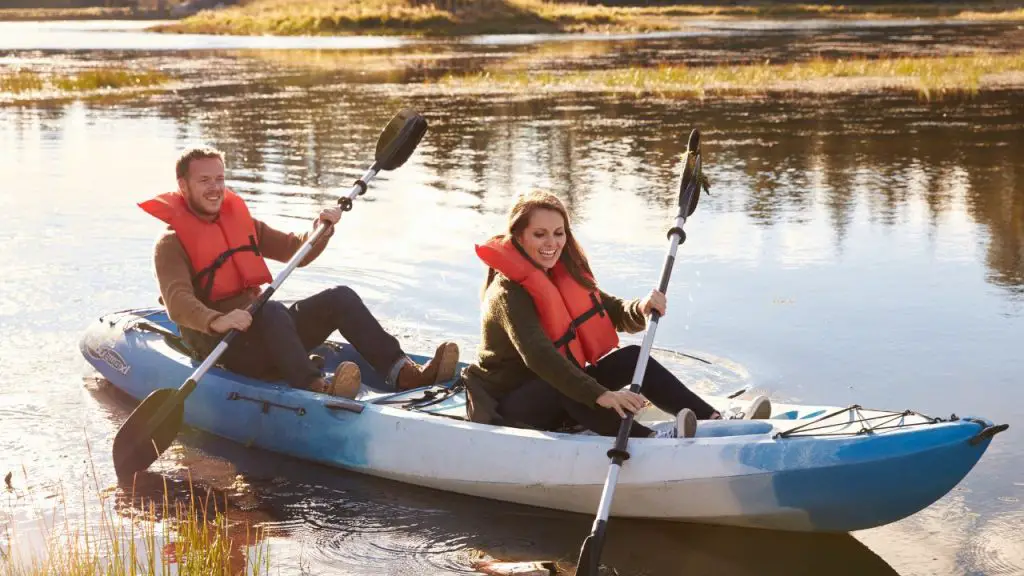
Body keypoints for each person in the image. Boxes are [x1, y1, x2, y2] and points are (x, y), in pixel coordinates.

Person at [142, 146, 459, 399]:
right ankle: (315, 387)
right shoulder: (171, 243)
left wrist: (320, 231)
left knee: (341, 298)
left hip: (265, 330)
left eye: (220, 179)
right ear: (182, 186)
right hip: (225, 346)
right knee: (272, 309)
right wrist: (218, 320)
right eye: (205, 181)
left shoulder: (239, 222)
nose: (215, 188)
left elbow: (294, 249)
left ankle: (404, 373)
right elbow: (177, 300)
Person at [463, 191, 770, 439]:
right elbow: (540, 357)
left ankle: (712, 420)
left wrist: (639, 308)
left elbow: (608, 309)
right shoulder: (507, 293)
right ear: (518, 237)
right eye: (540, 234)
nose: (552, 243)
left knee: (632, 357)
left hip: (554, 388)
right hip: (508, 407)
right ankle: (649, 439)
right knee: (568, 385)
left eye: (559, 233)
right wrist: (601, 394)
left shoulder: (556, 273)